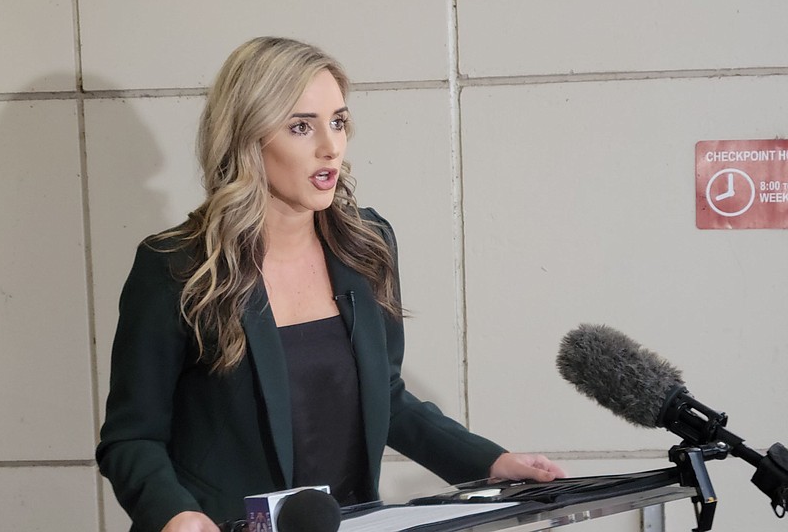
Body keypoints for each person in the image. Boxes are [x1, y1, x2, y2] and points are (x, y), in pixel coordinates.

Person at [96, 36, 566, 532]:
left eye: (338, 121)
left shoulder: (366, 245)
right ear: (247, 137)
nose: (331, 146)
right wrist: (176, 515)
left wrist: (489, 463)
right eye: (301, 126)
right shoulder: (176, 265)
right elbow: (131, 439)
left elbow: (385, 395)